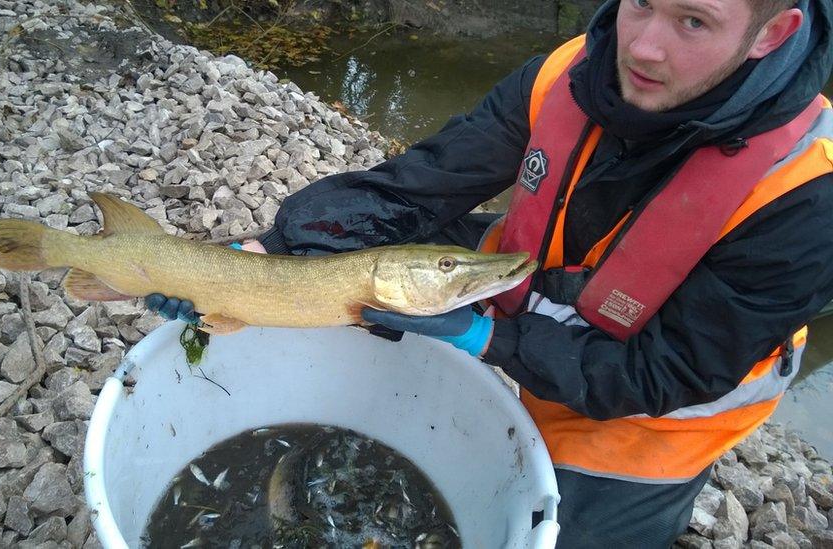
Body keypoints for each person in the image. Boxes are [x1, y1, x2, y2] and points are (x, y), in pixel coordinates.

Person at [146, 0, 833, 545]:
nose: (644, 46)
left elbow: (666, 372)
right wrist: (275, 252)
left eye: (692, 21)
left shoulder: (807, 195)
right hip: (529, 297)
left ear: (773, 32)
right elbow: (420, 185)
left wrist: (487, 340)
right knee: (379, 240)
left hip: (649, 418)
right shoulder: (571, 71)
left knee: (567, 533)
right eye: (641, 3)